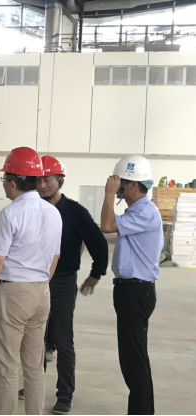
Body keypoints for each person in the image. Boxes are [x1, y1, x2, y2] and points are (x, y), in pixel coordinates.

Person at [0, 147, 62, 416]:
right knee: (34, 365)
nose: (4, 184)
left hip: (13, 293)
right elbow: (55, 256)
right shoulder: (53, 212)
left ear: (13, 182)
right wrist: (41, 282)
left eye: (4, 179)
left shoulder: (10, 214)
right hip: (41, 291)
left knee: (6, 366)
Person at [36, 155, 109, 416]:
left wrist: (96, 273)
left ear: (60, 180)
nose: (42, 184)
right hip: (35, 280)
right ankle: (33, 386)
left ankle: (64, 395)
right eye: (38, 179)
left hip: (63, 281)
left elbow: (98, 242)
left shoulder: (75, 211)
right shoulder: (32, 208)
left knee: (63, 338)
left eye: (47, 179)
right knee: (35, 337)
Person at [100, 155, 162, 416]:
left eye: (121, 183)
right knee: (133, 358)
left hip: (135, 292)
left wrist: (108, 194)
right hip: (132, 290)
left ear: (133, 185)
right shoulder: (138, 211)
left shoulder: (145, 212)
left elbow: (107, 225)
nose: (118, 188)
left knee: (134, 361)